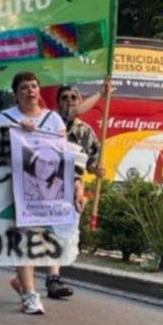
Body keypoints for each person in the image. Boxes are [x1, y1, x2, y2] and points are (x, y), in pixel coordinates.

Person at [0, 71, 78, 316]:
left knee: (45, 238)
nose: (31, 91)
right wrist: (18, 134)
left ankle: (21, 280)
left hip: (49, 192)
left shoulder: (53, 119)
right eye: (24, 87)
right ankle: (31, 295)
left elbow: (64, 155)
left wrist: (76, 186)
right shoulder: (5, 118)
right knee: (26, 238)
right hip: (18, 191)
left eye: (34, 86)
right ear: (16, 94)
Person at [45, 84, 104, 300]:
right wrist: (101, 94)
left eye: (73, 97)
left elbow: (91, 163)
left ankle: (53, 277)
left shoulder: (85, 132)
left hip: (72, 190)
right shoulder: (48, 123)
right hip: (44, 186)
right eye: (64, 97)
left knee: (60, 233)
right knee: (40, 232)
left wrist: (97, 169)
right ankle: (25, 274)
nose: (69, 101)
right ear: (57, 102)